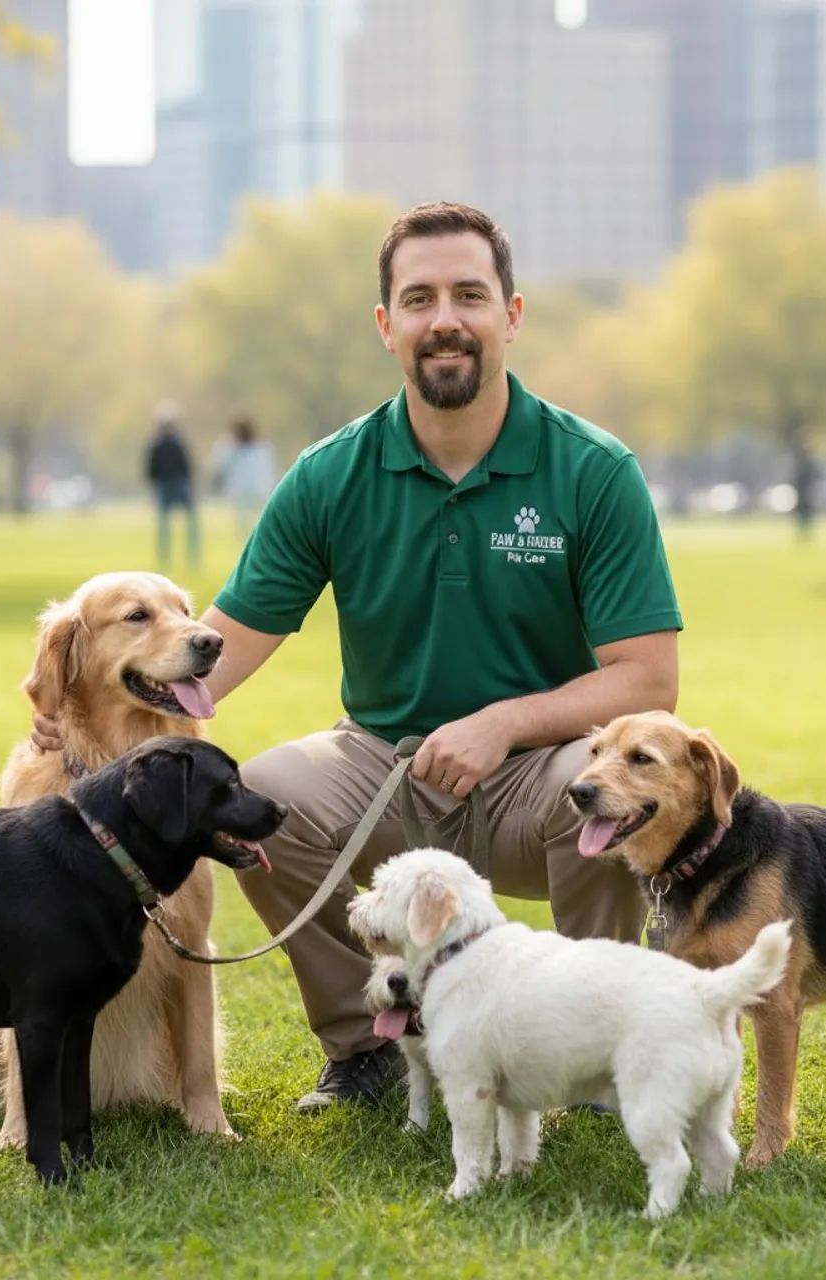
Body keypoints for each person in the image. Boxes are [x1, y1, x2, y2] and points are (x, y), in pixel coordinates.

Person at [37, 202, 681, 1114]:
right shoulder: (331, 475)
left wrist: (500, 724)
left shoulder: (593, 470)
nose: (444, 318)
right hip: (379, 766)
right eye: (419, 299)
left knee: (618, 783)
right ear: (387, 326)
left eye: (469, 294)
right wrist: (71, 708)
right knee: (263, 792)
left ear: (512, 314)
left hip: (541, 775)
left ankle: (596, 1050)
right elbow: (213, 654)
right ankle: (371, 1045)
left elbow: (648, 681)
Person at [144, 402, 200, 569]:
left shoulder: (160, 444)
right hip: (173, 485)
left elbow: (151, 471)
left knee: (170, 526)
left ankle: (187, 559)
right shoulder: (168, 444)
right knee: (171, 526)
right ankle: (174, 559)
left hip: (173, 485)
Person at [212, 415, 277, 536]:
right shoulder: (230, 447)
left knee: (254, 522)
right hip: (250, 489)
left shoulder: (260, 446)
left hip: (256, 489)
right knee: (247, 524)